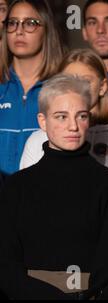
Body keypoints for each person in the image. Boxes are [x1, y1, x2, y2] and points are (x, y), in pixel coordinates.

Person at [0, 74, 108, 299]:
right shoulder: (16, 188)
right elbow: (5, 267)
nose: (73, 126)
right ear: (42, 121)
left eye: (81, 116)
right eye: (61, 117)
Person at [20, 48, 108, 211]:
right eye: (68, 80)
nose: (75, 88)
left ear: (102, 87)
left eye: (84, 81)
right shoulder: (37, 140)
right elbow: (25, 205)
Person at [0, 0, 64, 176]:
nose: (19, 31)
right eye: (12, 23)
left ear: (46, 30)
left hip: (42, 197)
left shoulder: (62, 88)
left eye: (30, 23)